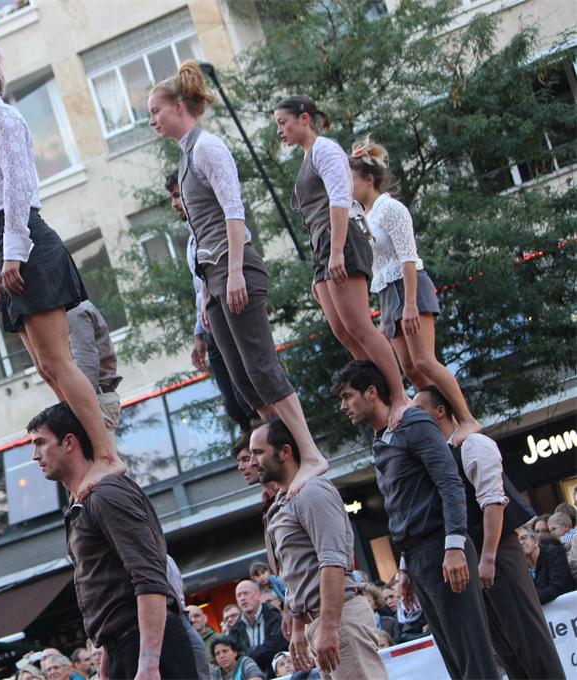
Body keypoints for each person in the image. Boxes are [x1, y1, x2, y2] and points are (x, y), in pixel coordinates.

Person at [0, 42, 122, 495]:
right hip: (6, 245)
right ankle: (88, 452)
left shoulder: (1, 117)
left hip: (27, 244)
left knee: (58, 361)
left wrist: (14, 254)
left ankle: (106, 455)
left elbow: (20, 187)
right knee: (45, 367)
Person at [148, 63, 328, 494]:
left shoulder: (209, 147)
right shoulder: (187, 155)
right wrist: (206, 300)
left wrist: (230, 274)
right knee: (245, 383)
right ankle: (289, 459)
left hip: (236, 266)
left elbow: (233, 210)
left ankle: (310, 452)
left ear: (178, 106)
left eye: (156, 111)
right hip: (214, 277)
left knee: (262, 367)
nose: (152, 120)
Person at [331, 360, 499, 678]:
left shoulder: (414, 423)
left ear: (371, 393)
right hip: (419, 558)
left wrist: (454, 547)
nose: (343, 406)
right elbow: (404, 506)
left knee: (473, 659)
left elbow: (450, 482)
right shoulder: (382, 438)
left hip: (443, 550)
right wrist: (406, 566)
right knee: (456, 660)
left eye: (347, 395)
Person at [28, 402, 197, 680]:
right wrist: (108, 663)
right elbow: (114, 593)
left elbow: (149, 577)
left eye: (41, 443)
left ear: (69, 442)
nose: (34, 455)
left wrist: (150, 663)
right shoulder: (85, 501)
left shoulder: (107, 493)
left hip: (150, 646)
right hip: (129, 647)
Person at [273, 97, 409, 432]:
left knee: (359, 324)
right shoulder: (307, 156)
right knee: (343, 331)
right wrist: (320, 266)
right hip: (322, 243)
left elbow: (338, 199)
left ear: (304, 119)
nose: (279, 131)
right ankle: (374, 392)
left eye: (283, 122)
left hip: (341, 237)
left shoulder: (325, 149)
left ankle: (400, 395)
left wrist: (335, 252)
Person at [413, 384, 565, 679]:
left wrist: (489, 557)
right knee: (505, 648)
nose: (413, 419)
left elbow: (494, 503)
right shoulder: (439, 456)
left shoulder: (472, 444)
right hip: (475, 558)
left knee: (529, 639)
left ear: (441, 410)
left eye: (420, 411)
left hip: (497, 552)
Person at [349, 138, 482, 445]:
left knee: (424, 360)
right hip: (387, 292)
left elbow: (408, 256)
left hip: (409, 287)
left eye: (351, 180)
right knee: (409, 368)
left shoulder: (391, 208)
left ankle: (467, 418)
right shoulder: (363, 216)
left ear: (369, 179)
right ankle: (445, 424)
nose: (347, 186)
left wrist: (409, 304)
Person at [253, 418, 387, 680]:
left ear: (285, 452)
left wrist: (329, 626)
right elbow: (298, 571)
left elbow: (332, 562)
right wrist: (301, 627)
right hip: (325, 622)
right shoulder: (285, 500)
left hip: (340, 620)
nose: (252, 461)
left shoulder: (312, 491)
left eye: (258, 452)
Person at [165, 172, 257, 433]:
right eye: (171, 197)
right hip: (210, 327)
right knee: (233, 404)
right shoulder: (192, 240)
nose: (174, 204)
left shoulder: (214, 228)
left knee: (247, 394)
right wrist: (199, 333)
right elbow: (199, 289)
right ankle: (253, 446)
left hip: (227, 312)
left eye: (177, 195)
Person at [66, 301, 123, 439]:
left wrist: (79, 408)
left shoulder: (74, 311)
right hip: (97, 397)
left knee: (104, 459)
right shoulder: (75, 308)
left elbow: (85, 363)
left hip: (96, 400)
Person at [230, 580, 288, 675]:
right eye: (239, 595)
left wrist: (249, 657)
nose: (242, 598)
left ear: (258, 595)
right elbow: (236, 657)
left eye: (246, 593)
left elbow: (276, 647)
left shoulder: (274, 617)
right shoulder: (235, 630)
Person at [517, 525, 576, 604]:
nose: (521, 543)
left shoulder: (552, 553)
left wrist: (528, 600)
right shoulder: (520, 567)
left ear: (535, 541)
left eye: (523, 538)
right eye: (517, 542)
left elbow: (558, 587)